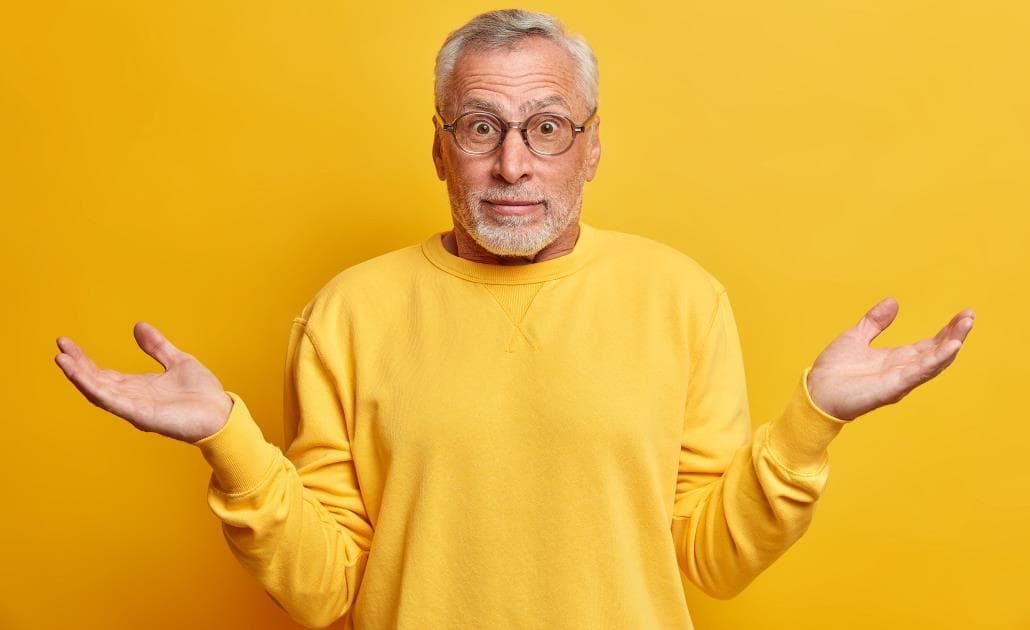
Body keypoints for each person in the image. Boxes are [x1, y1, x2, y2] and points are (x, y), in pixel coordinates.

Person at [53, 9, 975, 630]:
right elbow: (328, 583)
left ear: (593, 148)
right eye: (480, 128)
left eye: (547, 128)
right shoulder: (347, 314)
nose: (513, 166)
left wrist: (814, 422)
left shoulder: (682, 298)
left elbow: (712, 557)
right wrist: (228, 438)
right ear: (440, 151)